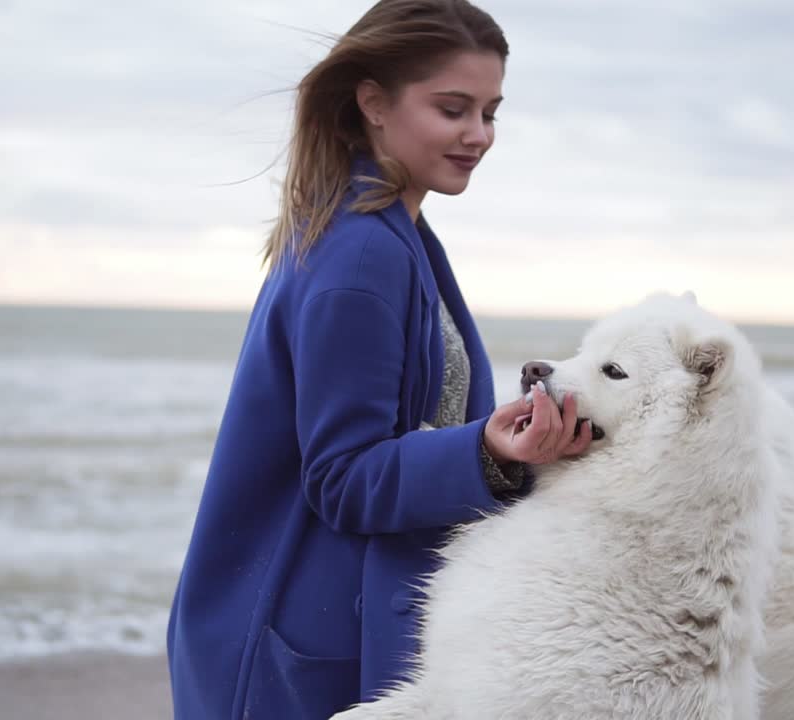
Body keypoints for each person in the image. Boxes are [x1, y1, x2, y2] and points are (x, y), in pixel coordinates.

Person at [166, 1, 592, 717]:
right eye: (453, 109)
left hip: (337, 624)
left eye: (491, 112)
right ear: (373, 102)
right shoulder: (362, 254)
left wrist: (511, 451)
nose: (479, 135)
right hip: (300, 650)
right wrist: (488, 452)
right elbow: (342, 476)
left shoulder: (393, 233)